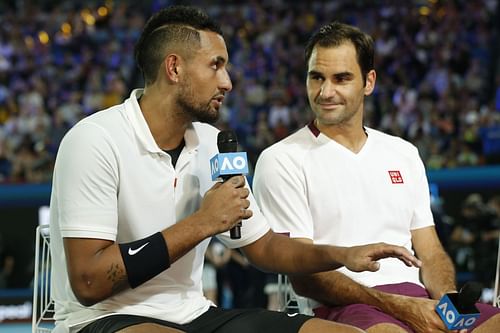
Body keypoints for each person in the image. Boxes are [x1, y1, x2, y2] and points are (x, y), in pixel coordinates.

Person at [49, 7, 421, 333]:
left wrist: (340, 254)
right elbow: (89, 281)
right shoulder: (94, 140)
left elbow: (265, 247)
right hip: (103, 317)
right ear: (174, 67)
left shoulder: (214, 143)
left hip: (193, 313)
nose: (227, 81)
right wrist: (204, 222)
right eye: (216, 65)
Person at [253, 21, 500, 333]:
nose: (325, 92)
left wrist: (449, 306)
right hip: (341, 306)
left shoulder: (404, 152)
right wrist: (402, 308)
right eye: (316, 78)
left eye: (341, 78)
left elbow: (431, 251)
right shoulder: (281, 159)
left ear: (368, 82)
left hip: (419, 299)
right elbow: (304, 276)